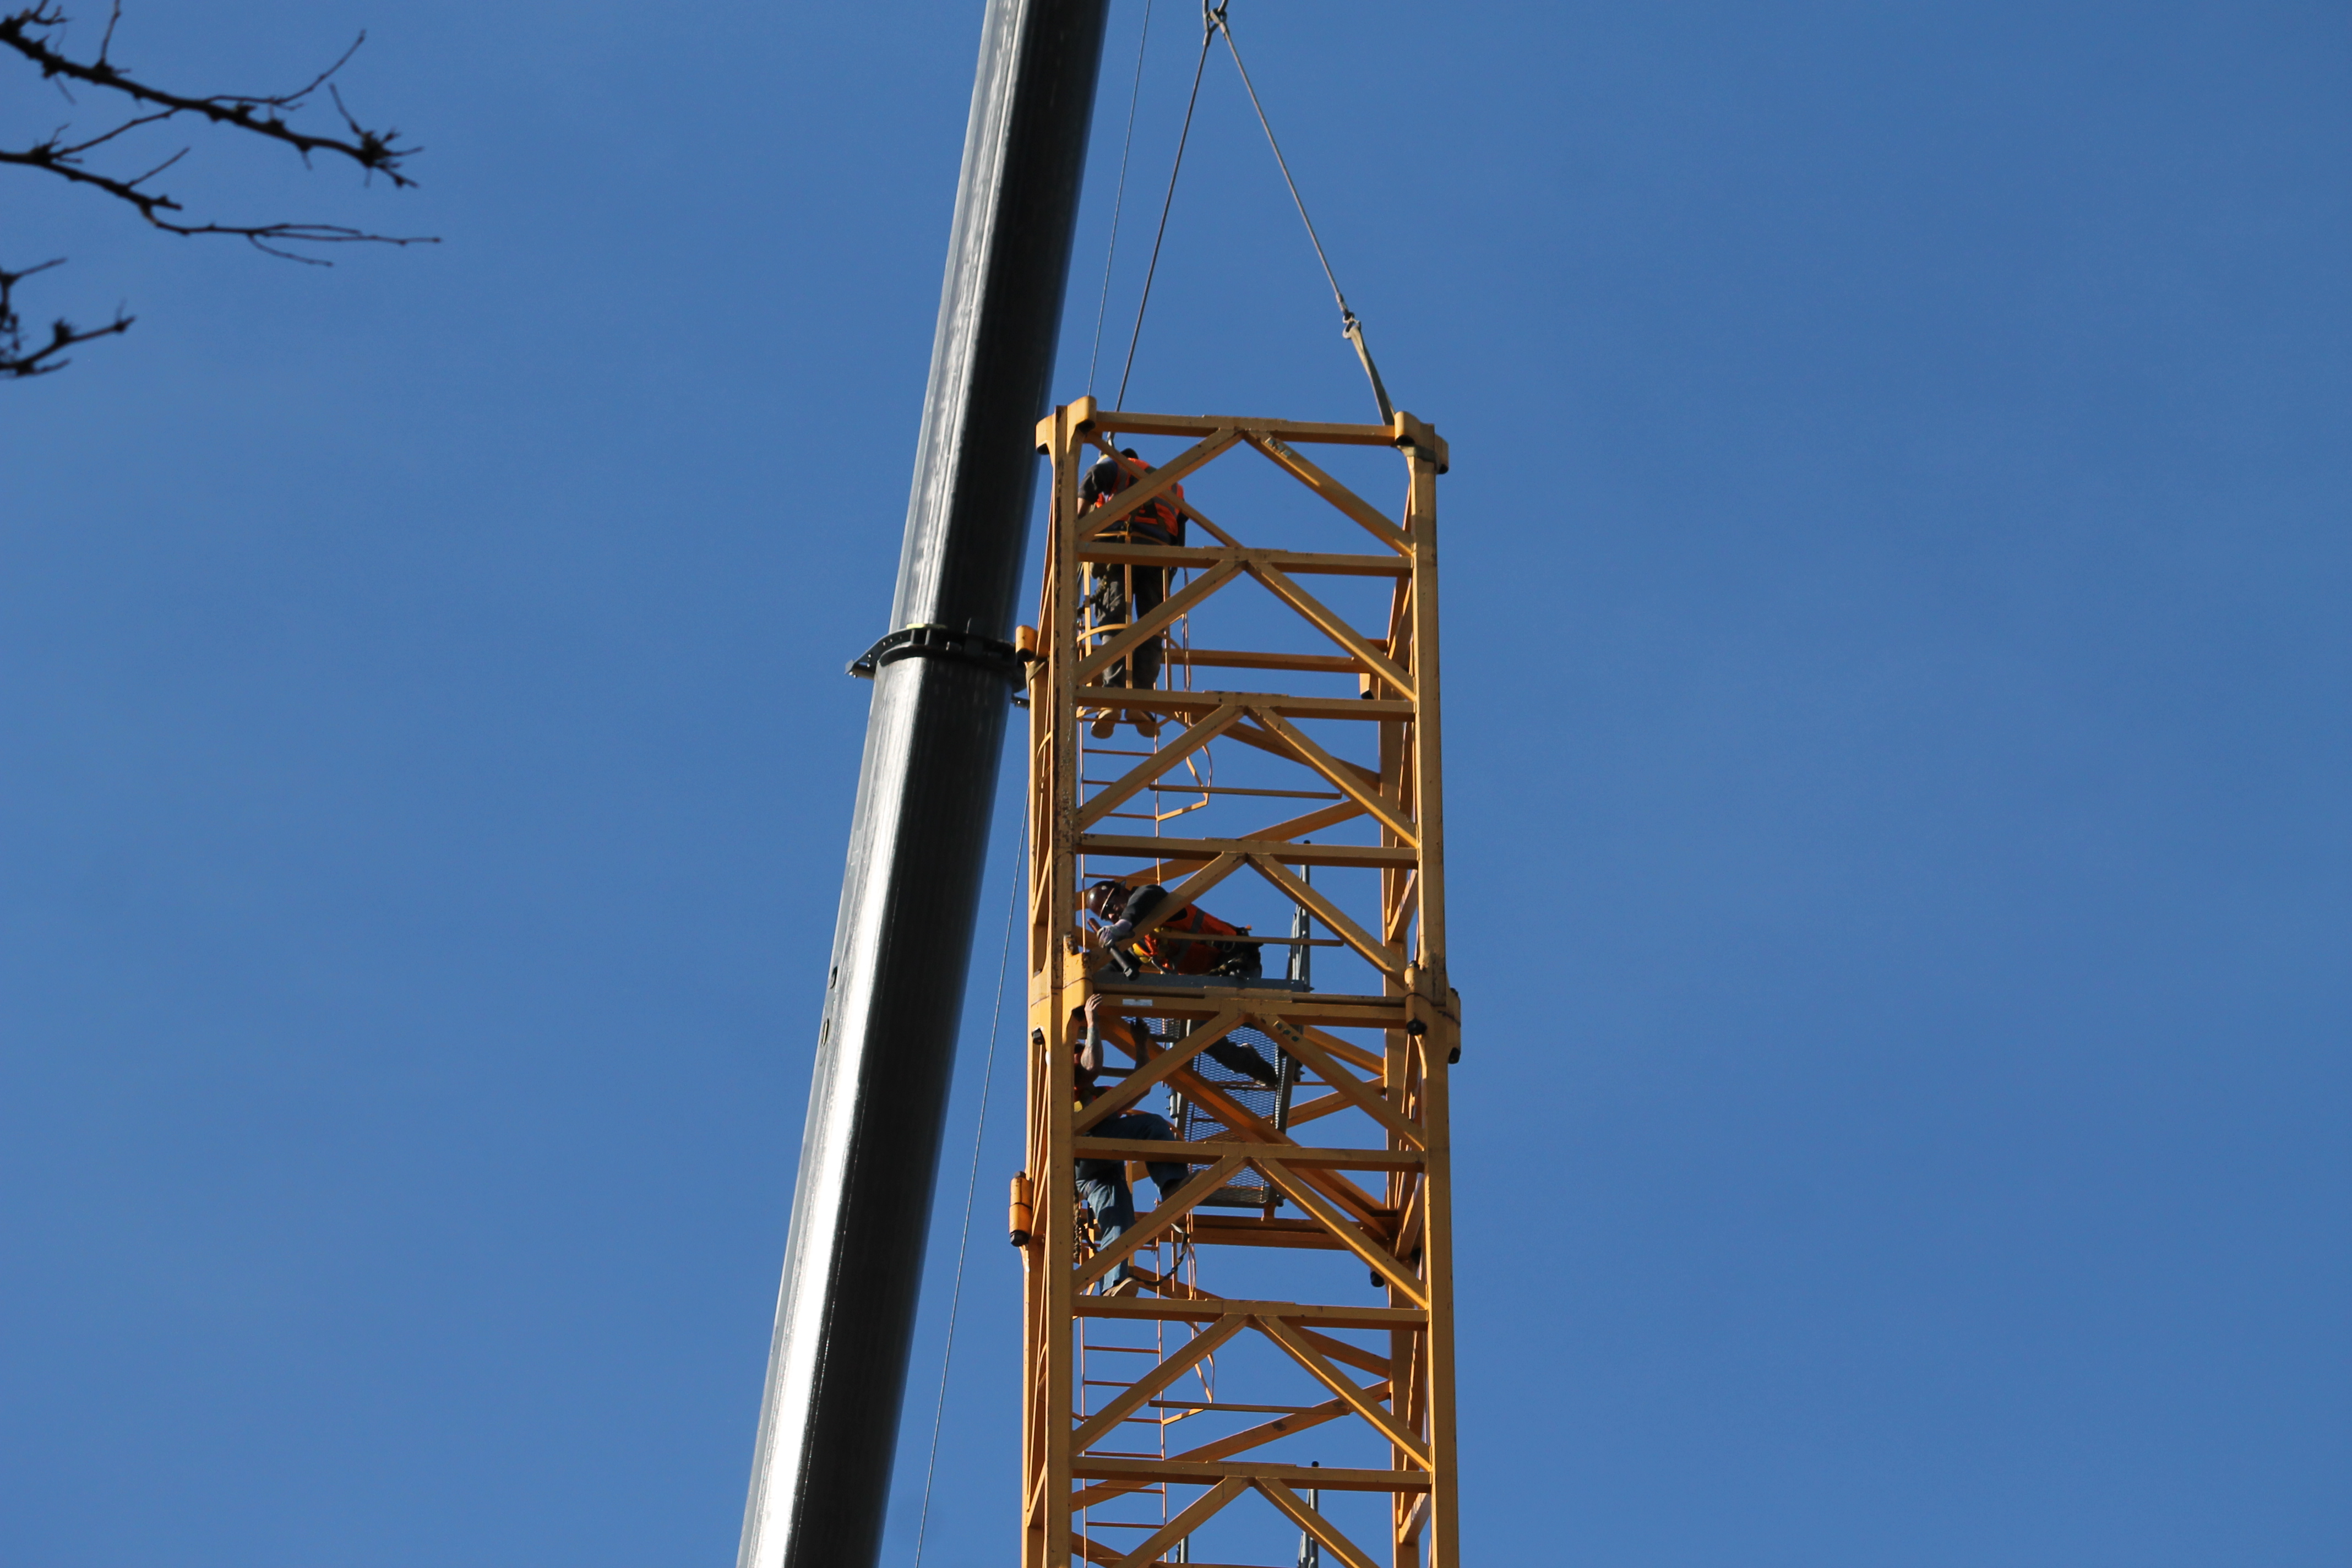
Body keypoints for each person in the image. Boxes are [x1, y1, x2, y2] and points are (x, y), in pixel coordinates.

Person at [1085, 881, 1281, 1086]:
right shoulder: (1142, 942)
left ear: (1123, 892)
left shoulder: (1156, 900)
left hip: (1238, 964)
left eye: (1110, 907)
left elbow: (1144, 899)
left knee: (1249, 1012)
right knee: (1204, 1037)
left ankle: (1290, 1040)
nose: (1110, 916)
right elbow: (1116, 967)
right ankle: (1256, 1067)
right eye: (1105, 916)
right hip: (1208, 985)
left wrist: (1119, 928)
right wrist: (1087, 985)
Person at [1072, 997, 1187, 1295]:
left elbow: (1141, 1087)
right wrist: (1093, 1022)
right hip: (1088, 1146)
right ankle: (1172, 1184)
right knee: (1152, 1126)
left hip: (1095, 1171)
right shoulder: (1065, 1080)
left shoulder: (1097, 1096)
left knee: (1119, 1222)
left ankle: (1112, 1285)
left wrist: (1140, 1045)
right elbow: (1092, 1065)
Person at [1080, 447, 1186, 739]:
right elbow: (1180, 533)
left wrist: (1077, 523)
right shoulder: (1172, 484)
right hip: (1159, 559)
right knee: (1152, 628)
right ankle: (1140, 698)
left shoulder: (1118, 466)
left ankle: (1113, 699)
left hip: (1122, 549)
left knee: (1115, 621)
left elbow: (1095, 475)